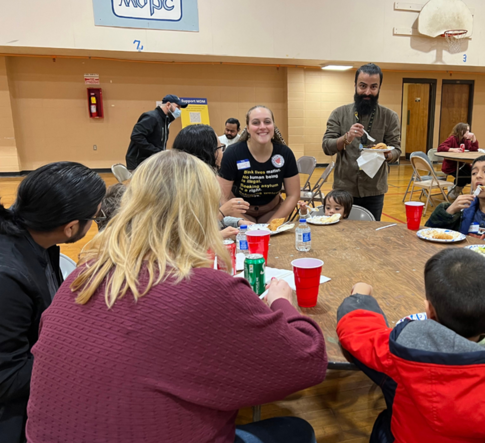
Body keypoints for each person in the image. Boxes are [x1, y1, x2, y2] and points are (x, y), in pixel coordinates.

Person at [26, 151, 327, 443]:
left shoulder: (82, 275)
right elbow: (308, 361)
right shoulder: (205, 288)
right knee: (295, 430)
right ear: (205, 211)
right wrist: (281, 301)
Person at [336, 248, 485, 443]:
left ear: (429, 311)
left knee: (385, 421)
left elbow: (359, 333)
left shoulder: (405, 351)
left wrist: (359, 298)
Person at [0, 162, 105, 443]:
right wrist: (80, 353)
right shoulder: (8, 278)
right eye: (93, 218)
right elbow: (6, 379)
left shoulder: (33, 239)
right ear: (71, 228)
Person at [322, 63, 401, 221]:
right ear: (355, 85)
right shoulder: (339, 113)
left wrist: (387, 154)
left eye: (373, 87)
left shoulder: (389, 117)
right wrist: (346, 138)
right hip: (343, 189)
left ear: (379, 88)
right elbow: (327, 146)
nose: (367, 92)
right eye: (362, 86)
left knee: (370, 236)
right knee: (341, 234)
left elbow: (396, 150)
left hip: (374, 190)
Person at [218, 106, 300, 223]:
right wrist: (244, 222)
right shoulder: (233, 153)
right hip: (239, 213)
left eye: (267, 122)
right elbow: (222, 197)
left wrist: (272, 224)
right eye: (256, 123)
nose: (262, 127)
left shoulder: (285, 153)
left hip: (273, 211)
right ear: (248, 128)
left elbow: (293, 195)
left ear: (273, 126)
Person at [172, 124, 253, 238]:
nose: (222, 153)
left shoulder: (204, 180)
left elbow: (209, 218)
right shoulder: (184, 189)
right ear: (208, 152)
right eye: (220, 148)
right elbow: (192, 233)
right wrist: (223, 212)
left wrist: (237, 222)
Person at [426, 155, 485, 241]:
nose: (478, 176)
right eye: (474, 173)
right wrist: (449, 212)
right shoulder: (462, 211)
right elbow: (429, 233)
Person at [125, 94, 188, 170]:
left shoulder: (165, 120)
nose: (179, 110)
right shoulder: (151, 117)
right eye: (177, 107)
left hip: (152, 161)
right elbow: (136, 136)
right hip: (140, 162)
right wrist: (157, 151)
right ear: (168, 104)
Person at [437, 122, 479, 200]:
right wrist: (452, 149)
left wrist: (473, 138)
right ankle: (454, 190)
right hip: (451, 166)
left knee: (472, 174)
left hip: (461, 165)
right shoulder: (452, 138)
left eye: (469, 131)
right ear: (461, 131)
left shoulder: (465, 140)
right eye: (466, 131)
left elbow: (473, 149)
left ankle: (455, 188)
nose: (468, 133)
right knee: (464, 176)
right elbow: (440, 148)